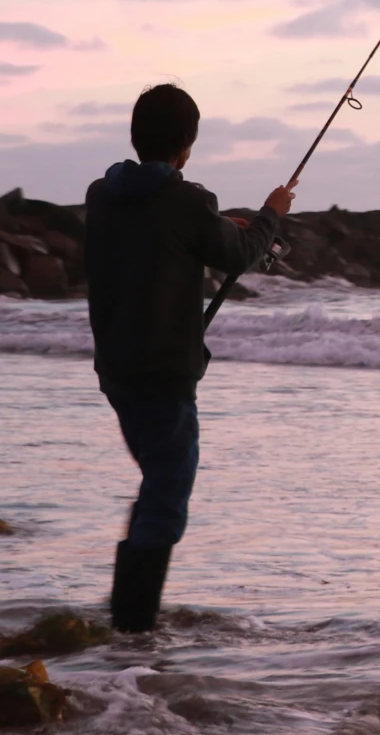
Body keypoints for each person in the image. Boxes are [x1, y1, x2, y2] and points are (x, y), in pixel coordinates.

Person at [85, 82, 294, 632]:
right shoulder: (186, 201)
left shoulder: (101, 196)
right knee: (168, 489)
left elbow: (164, 233)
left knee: (158, 479)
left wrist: (226, 226)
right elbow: (241, 253)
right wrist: (272, 214)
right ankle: (132, 625)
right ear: (187, 144)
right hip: (164, 372)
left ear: (135, 137)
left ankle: (129, 620)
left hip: (118, 366)